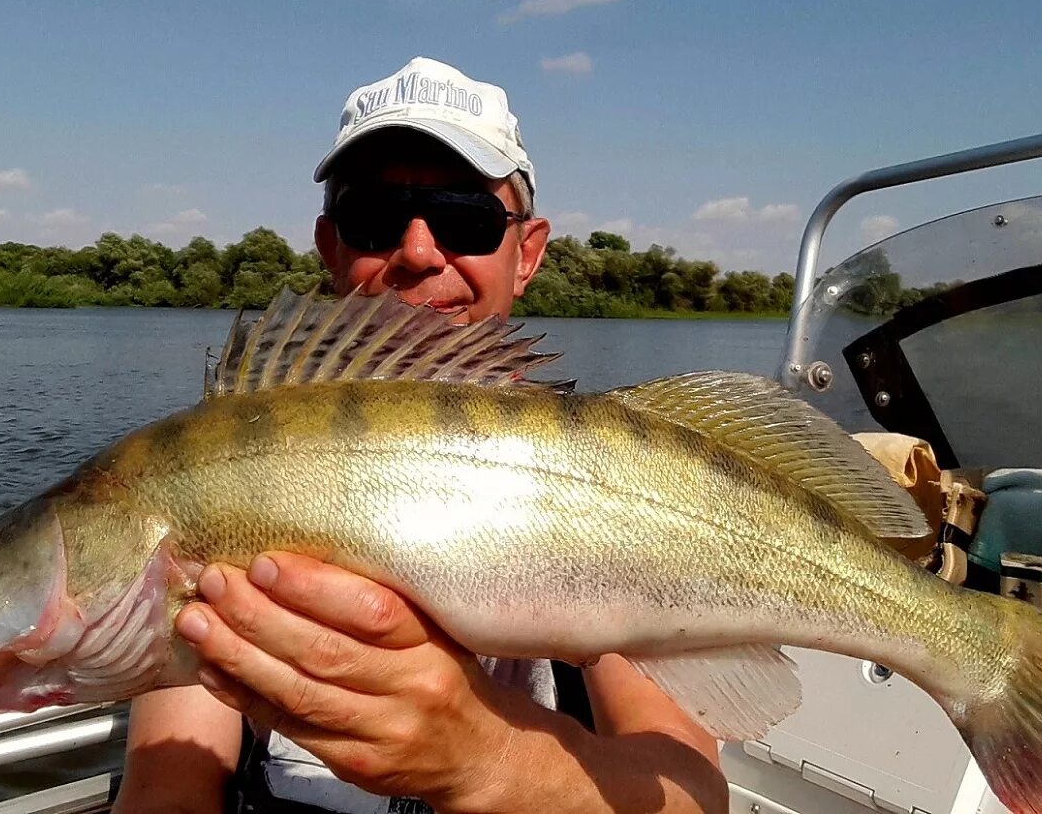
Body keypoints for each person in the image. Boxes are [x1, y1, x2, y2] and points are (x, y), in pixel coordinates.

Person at [113, 56, 727, 814]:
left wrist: (482, 754)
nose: (418, 251)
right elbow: (167, 791)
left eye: (464, 216)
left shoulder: (605, 475)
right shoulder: (233, 462)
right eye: (374, 217)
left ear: (527, 252)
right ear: (331, 248)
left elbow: (695, 791)